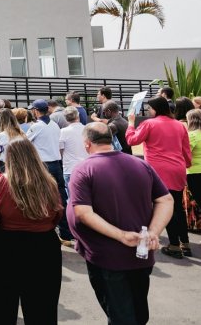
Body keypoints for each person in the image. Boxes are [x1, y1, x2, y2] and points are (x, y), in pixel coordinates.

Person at [66, 122, 173, 325]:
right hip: (140, 254)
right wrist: (153, 232)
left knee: (120, 315)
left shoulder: (83, 168)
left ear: (87, 144)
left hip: (107, 257)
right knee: (137, 310)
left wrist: (123, 235)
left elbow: (82, 212)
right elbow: (166, 199)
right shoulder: (140, 164)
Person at [0, 138, 63, 325]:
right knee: (43, 310)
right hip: (44, 248)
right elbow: (57, 215)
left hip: (3, 247)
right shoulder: (49, 184)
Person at [126, 96, 192, 258]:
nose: (149, 111)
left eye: (150, 108)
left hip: (158, 170)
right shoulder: (179, 125)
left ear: (155, 109)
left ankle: (174, 245)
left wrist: (130, 123)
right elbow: (186, 151)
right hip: (178, 168)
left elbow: (132, 140)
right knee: (177, 206)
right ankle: (185, 243)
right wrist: (186, 164)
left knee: (164, 206)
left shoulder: (149, 123)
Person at [26, 99, 74, 246]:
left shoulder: (36, 126)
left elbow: (24, 142)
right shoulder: (54, 125)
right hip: (56, 164)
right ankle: (66, 232)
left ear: (35, 111)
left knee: (42, 198)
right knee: (60, 198)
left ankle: (46, 230)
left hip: (43, 165)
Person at [59, 106, 88, 194]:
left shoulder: (63, 131)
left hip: (70, 168)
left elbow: (60, 150)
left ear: (66, 118)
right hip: (87, 167)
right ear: (78, 115)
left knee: (72, 199)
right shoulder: (87, 129)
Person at [0, 108, 25, 173]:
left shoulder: (1, 135)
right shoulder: (22, 133)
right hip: (21, 164)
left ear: (1, 120)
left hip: (5, 165)